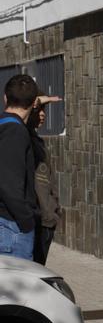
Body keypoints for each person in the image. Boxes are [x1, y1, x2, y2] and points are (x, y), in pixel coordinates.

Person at [0, 74, 38, 260]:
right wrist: (26, 221)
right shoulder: (14, 132)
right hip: (11, 226)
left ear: (5, 98)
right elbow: (9, 183)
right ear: (33, 103)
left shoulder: (3, 125)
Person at [26, 95, 64, 265]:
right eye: (38, 110)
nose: (42, 114)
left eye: (44, 111)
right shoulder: (21, 137)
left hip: (47, 221)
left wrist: (54, 210)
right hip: (35, 222)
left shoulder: (38, 142)